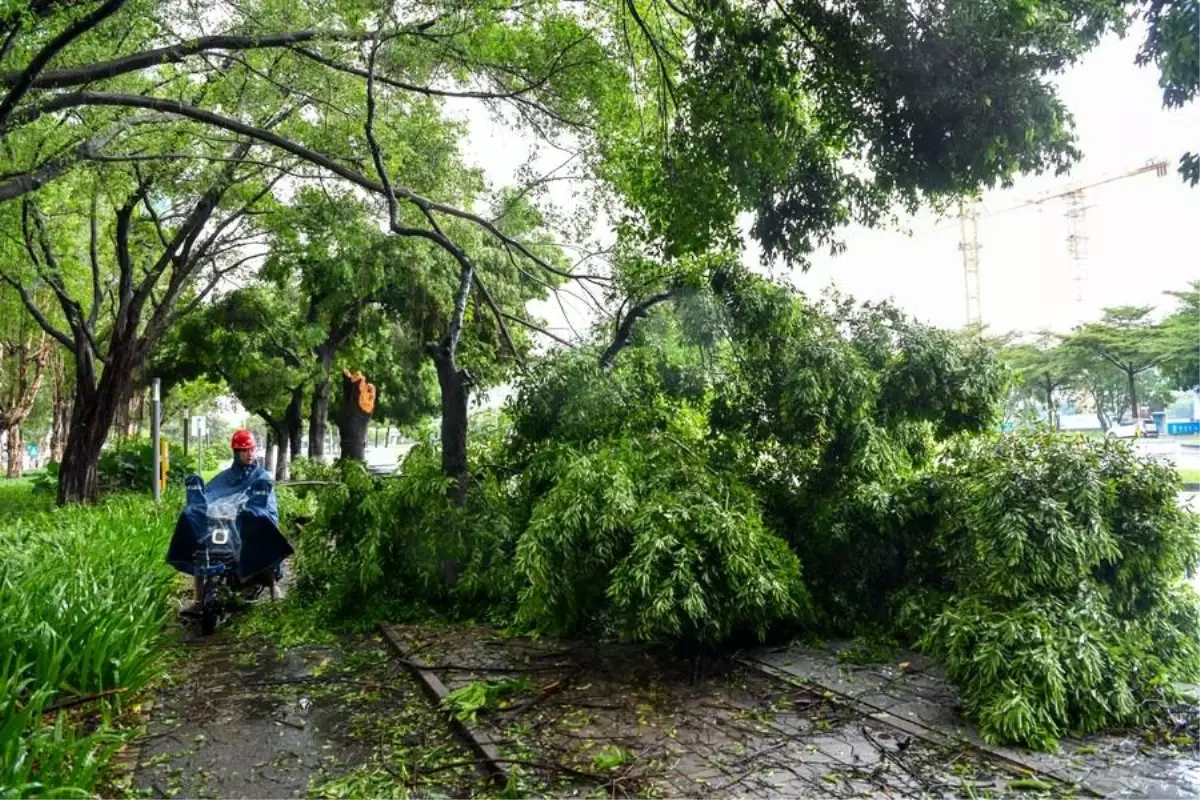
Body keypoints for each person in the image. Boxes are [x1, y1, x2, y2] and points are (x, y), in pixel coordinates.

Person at [183, 429, 283, 614]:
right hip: (225, 525)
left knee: (263, 538)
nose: (249, 454)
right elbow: (211, 494)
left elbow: (268, 505)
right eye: (244, 450)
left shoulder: (261, 477)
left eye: (251, 449)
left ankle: (273, 587)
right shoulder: (224, 477)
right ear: (236, 452)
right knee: (200, 551)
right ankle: (197, 600)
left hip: (246, 525)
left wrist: (255, 512)